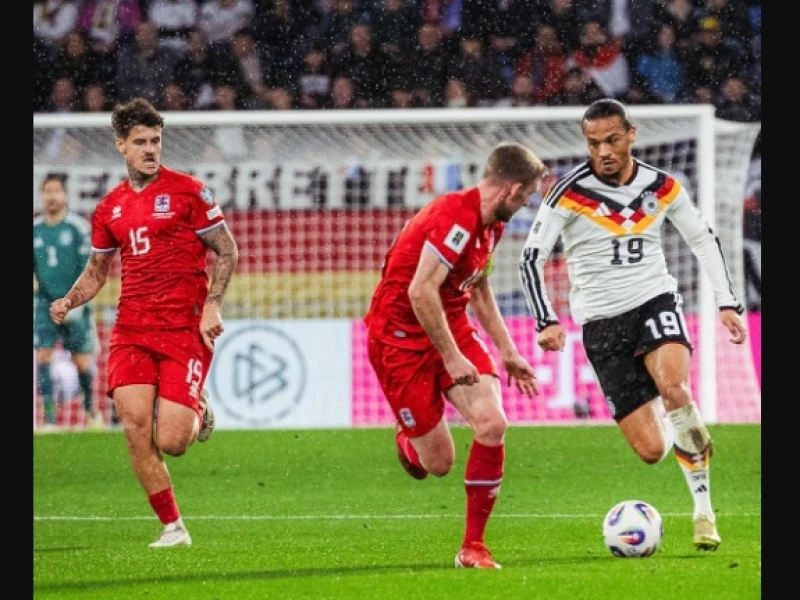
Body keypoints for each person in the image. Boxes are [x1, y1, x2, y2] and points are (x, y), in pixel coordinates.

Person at [518, 98, 748, 552]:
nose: (603, 151)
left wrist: (727, 302)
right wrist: (546, 318)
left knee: (676, 388)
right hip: (602, 327)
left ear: (631, 135)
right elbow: (532, 256)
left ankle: (704, 512)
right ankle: (684, 428)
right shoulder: (567, 193)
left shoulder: (662, 186)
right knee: (652, 451)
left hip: (653, 302)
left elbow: (702, 239)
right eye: (593, 143)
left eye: (611, 140)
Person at [50, 97, 239, 548]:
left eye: (156, 140)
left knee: (172, 440)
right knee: (135, 426)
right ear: (121, 145)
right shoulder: (109, 208)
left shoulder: (189, 191)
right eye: (140, 142)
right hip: (132, 329)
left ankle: (197, 408)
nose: (151, 149)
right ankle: (173, 526)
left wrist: (213, 305)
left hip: (184, 327)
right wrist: (69, 300)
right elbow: (98, 270)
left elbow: (227, 249)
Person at [365, 142, 549, 569]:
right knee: (439, 463)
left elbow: (478, 285)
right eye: (526, 196)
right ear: (511, 189)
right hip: (399, 339)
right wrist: (450, 358)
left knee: (492, 423)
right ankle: (408, 436)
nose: (525, 205)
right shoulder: (455, 216)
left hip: (451, 323)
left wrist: (507, 351)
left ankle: (473, 547)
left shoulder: (491, 224)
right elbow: (420, 291)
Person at [34, 173, 102, 429]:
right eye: (47, 191)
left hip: (75, 303)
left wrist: (78, 301)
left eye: (56, 191)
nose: (51, 196)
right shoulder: (35, 231)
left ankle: (90, 412)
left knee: (81, 361)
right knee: (42, 357)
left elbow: (90, 268)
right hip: (45, 303)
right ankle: (49, 420)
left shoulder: (78, 228)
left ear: (65, 195)